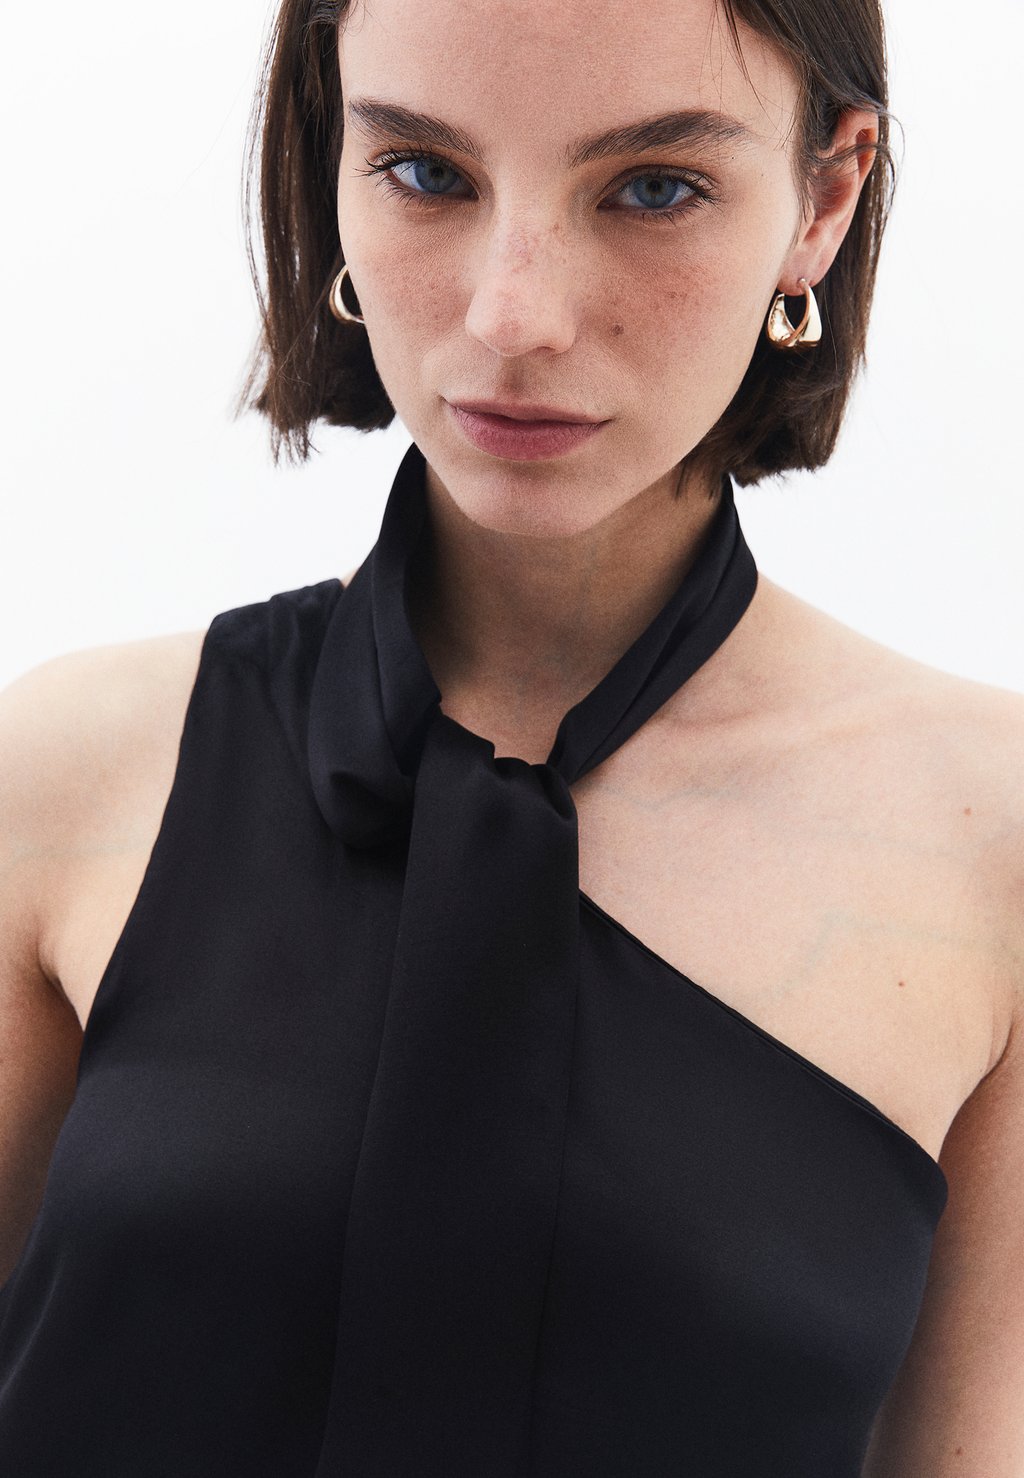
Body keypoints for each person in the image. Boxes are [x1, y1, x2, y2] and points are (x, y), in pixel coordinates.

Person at [0, 0, 1021, 1473]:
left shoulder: (991, 849)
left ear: (824, 197)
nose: (512, 316)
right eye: (425, 172)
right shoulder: (66, 777)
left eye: (653, 186)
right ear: (330, 156)